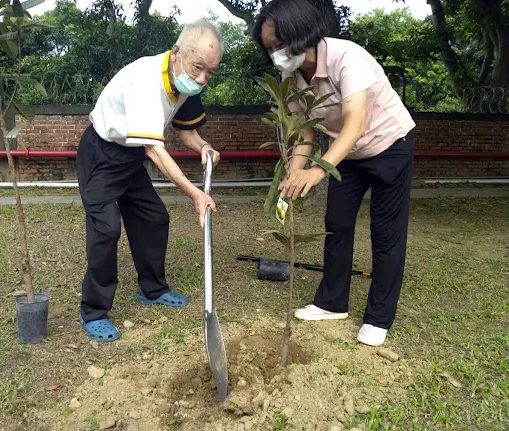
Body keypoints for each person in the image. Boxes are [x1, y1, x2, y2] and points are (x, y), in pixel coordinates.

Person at [253, 0, 416, 346]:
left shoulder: (348, 58)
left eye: (280, 44)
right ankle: (331, 303)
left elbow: (354, 124)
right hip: (347, 155)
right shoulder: (291, 75)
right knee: (337, 224)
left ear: (302, 34)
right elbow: (307, 131)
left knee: (385, 234)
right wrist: (294, 173)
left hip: (388, 144)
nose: (276, 55)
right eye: (269, 48)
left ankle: (378, 317)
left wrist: (317, 171)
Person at [76, 20, 223, 342]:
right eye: (199, 67)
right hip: (101, 155)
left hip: (131, 159)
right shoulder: (145, 79)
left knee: (153, 218)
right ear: (177, 53)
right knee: (106, 230)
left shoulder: (188, 84)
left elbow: (187, 132)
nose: (202, 78)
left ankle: (153, 290)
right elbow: (155, 150)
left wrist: (204, 147)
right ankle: (93, 311)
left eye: (210, 72)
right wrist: (194, 193)